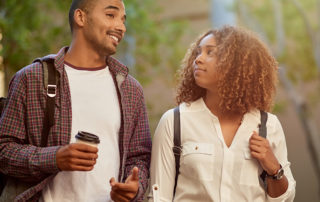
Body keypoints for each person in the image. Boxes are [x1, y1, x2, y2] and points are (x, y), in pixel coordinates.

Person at [0, 0, 151, 201]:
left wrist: (135, 187)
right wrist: (54, 158)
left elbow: (139, 157)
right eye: (110, 15)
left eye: (123, 20)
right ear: (80, 17)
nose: (121, 27)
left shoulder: (131, 90)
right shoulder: (32, 79)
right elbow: (4, 151)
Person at [148, 26, 296, 201]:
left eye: (210, 52)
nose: (198, 59)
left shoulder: (268, 125)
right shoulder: (175, 121)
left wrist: (274, 169)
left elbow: (285, 198)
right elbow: (159, 197)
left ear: (236, 63)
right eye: (198, 52)